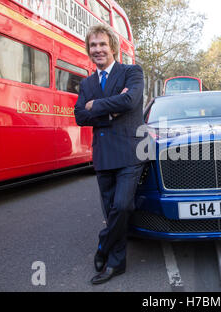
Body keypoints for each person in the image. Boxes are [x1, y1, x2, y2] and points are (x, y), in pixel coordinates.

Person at [74, 25, 145, 285]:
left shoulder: (131, 72)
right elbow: (80, 116)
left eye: (102, 44)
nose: (98, 50)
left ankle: (104, 244)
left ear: (113, 47)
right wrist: (110, 110)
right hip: (103, 155)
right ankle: (117, 263)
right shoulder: (87, 83)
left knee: (123, 206)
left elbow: (130, 102)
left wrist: (96, 106)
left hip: (129, 152)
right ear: (88, 50)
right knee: (110, 209)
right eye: (93, 46)